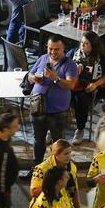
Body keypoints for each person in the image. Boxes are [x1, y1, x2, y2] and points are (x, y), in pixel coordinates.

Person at [29, 37, 80, 169]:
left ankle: (57, 170)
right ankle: (37, 170)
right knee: (38, 141)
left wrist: (56, 78)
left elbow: (71, 85)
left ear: (64, 49)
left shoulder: (70, 65)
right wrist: (33, 78)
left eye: (56, 49)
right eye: (50, 48)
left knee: (58, 144)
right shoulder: (43, 58)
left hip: (57, 113)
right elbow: (30, 73)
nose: (52, 52)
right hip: (38, 109)